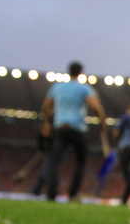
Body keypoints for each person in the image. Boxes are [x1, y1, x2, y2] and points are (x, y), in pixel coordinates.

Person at [39, 61, 108, 201]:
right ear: (81, 72)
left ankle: (51, 194)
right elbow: (96, 108)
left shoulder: (57, 87)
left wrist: (46, 124)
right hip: (78, 129)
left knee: (55, 162)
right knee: (80, 163)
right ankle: (73, 194)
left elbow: (45, 107)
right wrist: (102, 124)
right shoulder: (84, 88)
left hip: (60, 128)